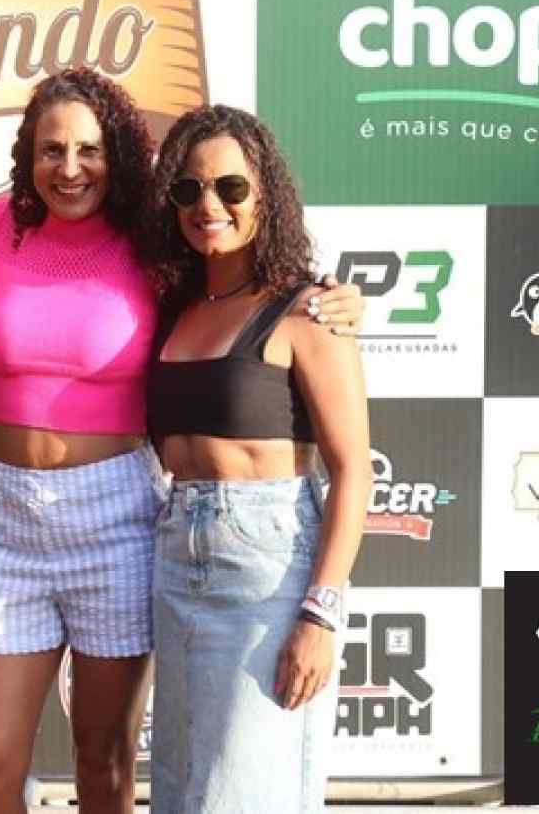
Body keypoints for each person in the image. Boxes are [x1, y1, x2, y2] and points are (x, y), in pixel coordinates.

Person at [0, 72, 365, 813]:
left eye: (90, 149)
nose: (69, 167)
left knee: (126, 762)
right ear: (27, 157)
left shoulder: (158, 256)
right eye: (51, 149)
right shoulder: (5, 227)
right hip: (30, 519)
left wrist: (341, 300)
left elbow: (347, 459)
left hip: (136, 519)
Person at [141, 104, 371, 813]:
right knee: (182, 789)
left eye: (230, 187)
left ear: (266, 195)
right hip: (174, 554)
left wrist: (321, 616)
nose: (208, 206)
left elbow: (353, 470)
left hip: (267, 567)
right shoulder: (172, 307)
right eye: (188, 190)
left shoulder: (308, 311)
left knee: (244, 794)